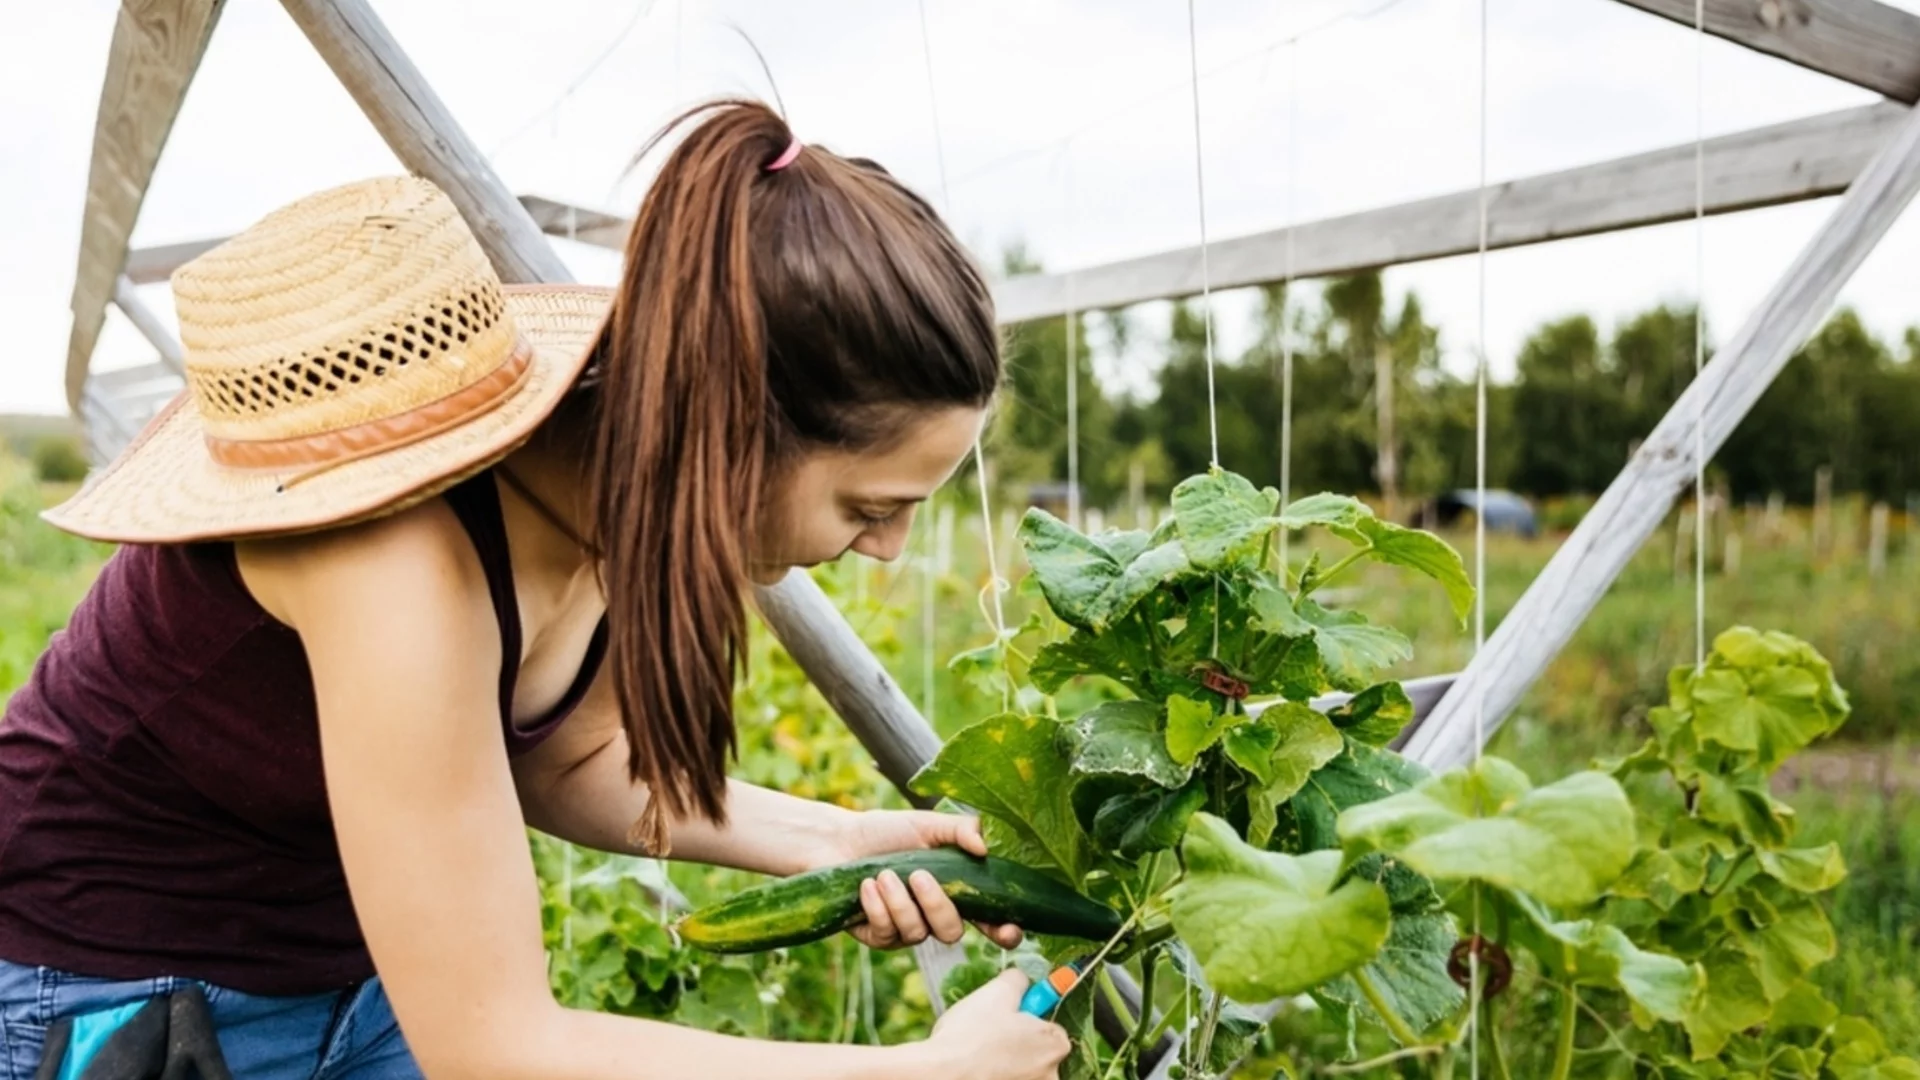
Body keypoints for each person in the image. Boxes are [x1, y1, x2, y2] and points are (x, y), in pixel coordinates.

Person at [0, 100, 1071, 1080]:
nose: (890, 548)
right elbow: (496, 1046)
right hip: (112, 994)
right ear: (738, 438)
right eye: (870, 505)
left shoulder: (601, 492)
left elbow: (571, 760)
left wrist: (833, 840)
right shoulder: (402, 562)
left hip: (353, 984)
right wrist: (921, 1073)